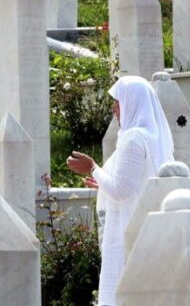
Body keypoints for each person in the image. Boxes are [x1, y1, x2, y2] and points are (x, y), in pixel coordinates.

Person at [67, 75, 174, 306]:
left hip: (127, 229)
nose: (114, 108)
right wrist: (102, 183)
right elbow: (135, 184)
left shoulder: (134, 139)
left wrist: (92, 168)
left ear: (133, 101)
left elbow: (122, 190)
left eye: (118, 101)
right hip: (142, 227)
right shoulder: (150, 137)